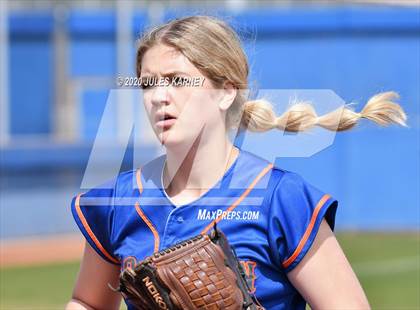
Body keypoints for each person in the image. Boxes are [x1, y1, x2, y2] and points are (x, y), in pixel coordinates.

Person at [65, 15, 406, 310]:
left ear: (226, 92)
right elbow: (89, 301)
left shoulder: (280, 198)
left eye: (177, 80)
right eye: (148, 83)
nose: (158, 96)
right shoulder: (118, 202)